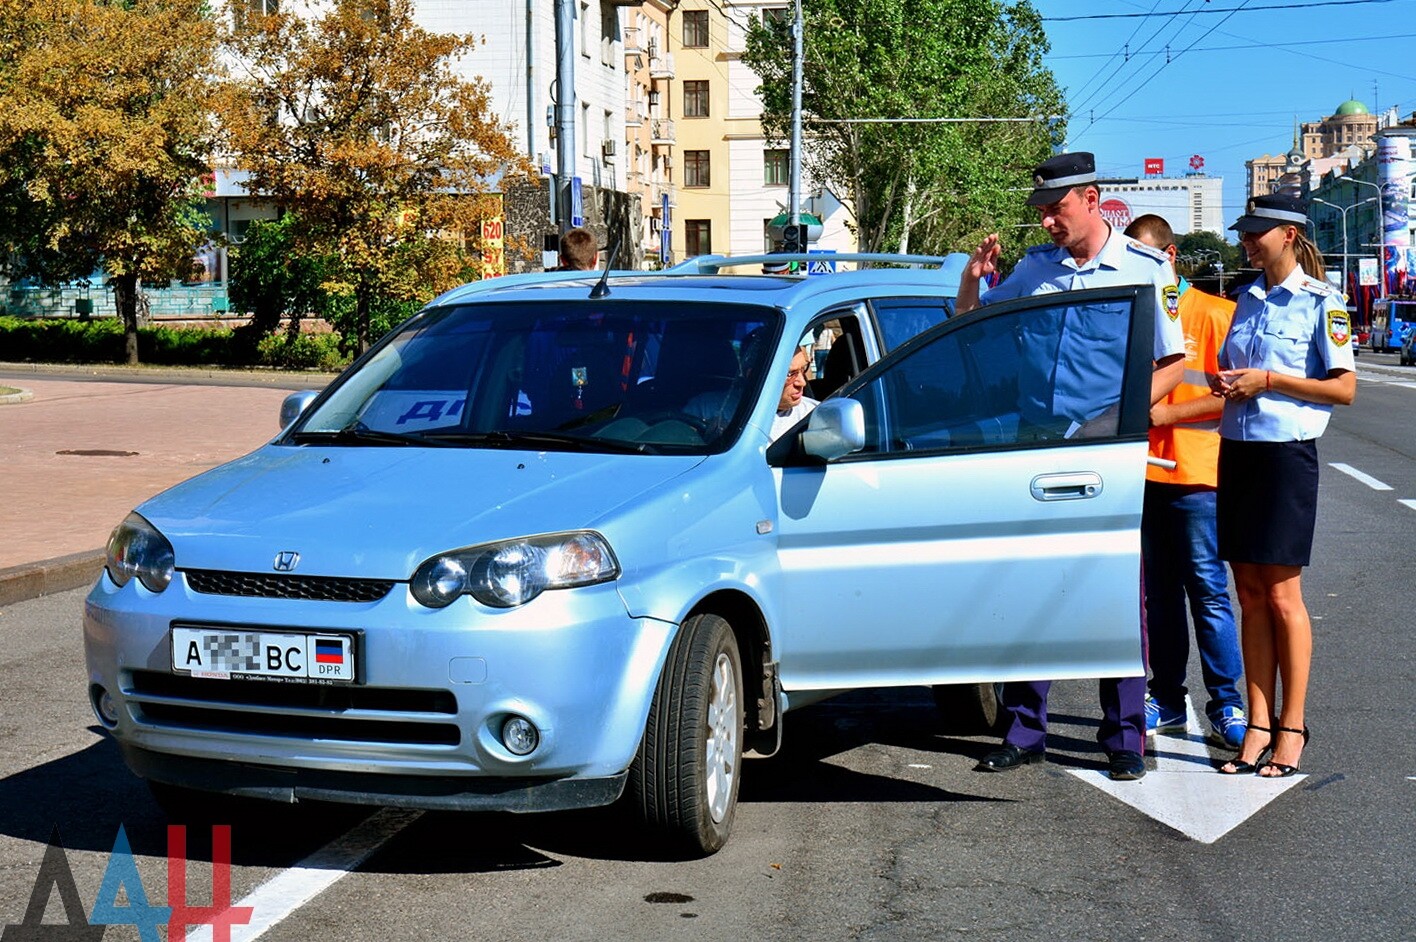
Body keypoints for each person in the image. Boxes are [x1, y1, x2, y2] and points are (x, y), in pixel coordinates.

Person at [962, 152, 1186, 782]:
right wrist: (973, 278)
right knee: (1032, 589)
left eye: (1056, 209)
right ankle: (1025, 728)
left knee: (1117, 593)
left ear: (1090, 199)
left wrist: (1114, 419)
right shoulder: (1037, 270)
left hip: (1107, 455)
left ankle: (1124, 738)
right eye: (1041, 212)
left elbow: (1173, 365)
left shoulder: (1144, 269)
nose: (1047, 223)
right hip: (1037, 453)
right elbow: (970, 324)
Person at [1212, 194, 1355, 777]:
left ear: (1290, 235)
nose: (1248, 241)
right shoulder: (1245, 298)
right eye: (1244, 233)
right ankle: (1257, 724)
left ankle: (1292, 727)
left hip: (1286, 456)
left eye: (1257, 233)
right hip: (1238, 453)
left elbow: (1344, 389)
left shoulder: (1324, 302)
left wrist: (1270, 379)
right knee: (1247, 593)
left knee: (1280, 595)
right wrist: (1226, 385)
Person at [1123, 214, 1247, 749]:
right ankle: (1168, 699)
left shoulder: (1217, 314)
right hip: (1143, 476)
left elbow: (1238, 395)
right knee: (1160, 598)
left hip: (1198, 477)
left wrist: (1165, 418)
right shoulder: (1133, 312)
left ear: (1169, 257)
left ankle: (1227, 703)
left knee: (1209, 592)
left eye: (1143, 259)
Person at [770, 343, 818, 440]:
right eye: (790, 374)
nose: (802, 383)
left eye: (803, 369)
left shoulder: (816, 417)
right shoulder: (732, 423)